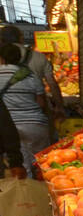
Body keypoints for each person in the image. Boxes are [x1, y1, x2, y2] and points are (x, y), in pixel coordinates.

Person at [0, 43, 56, 178]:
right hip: (35, 125)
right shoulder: (30, 76)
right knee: (41, 166)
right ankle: (43, 196)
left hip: (8, 127)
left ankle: (26, 196)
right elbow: (41, 103)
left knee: (21, 170)